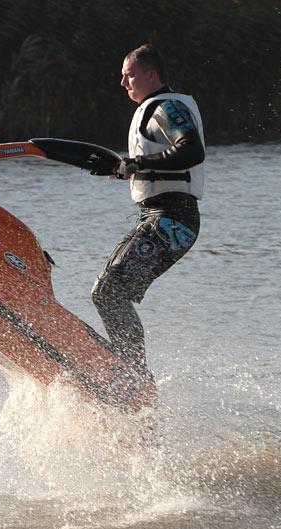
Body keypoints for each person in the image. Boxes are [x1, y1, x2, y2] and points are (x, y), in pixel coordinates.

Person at [90, 43, 205, 372]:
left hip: (173, 221)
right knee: (108, 291)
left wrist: (136, 164)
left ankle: (133, 375)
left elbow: (191, 150)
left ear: (151, 74)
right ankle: (131, 370)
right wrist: (129, 167)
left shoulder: (166, 107)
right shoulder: (158, 107)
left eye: (129, 75)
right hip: (162, 219)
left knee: (108, 292)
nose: (123, 83)